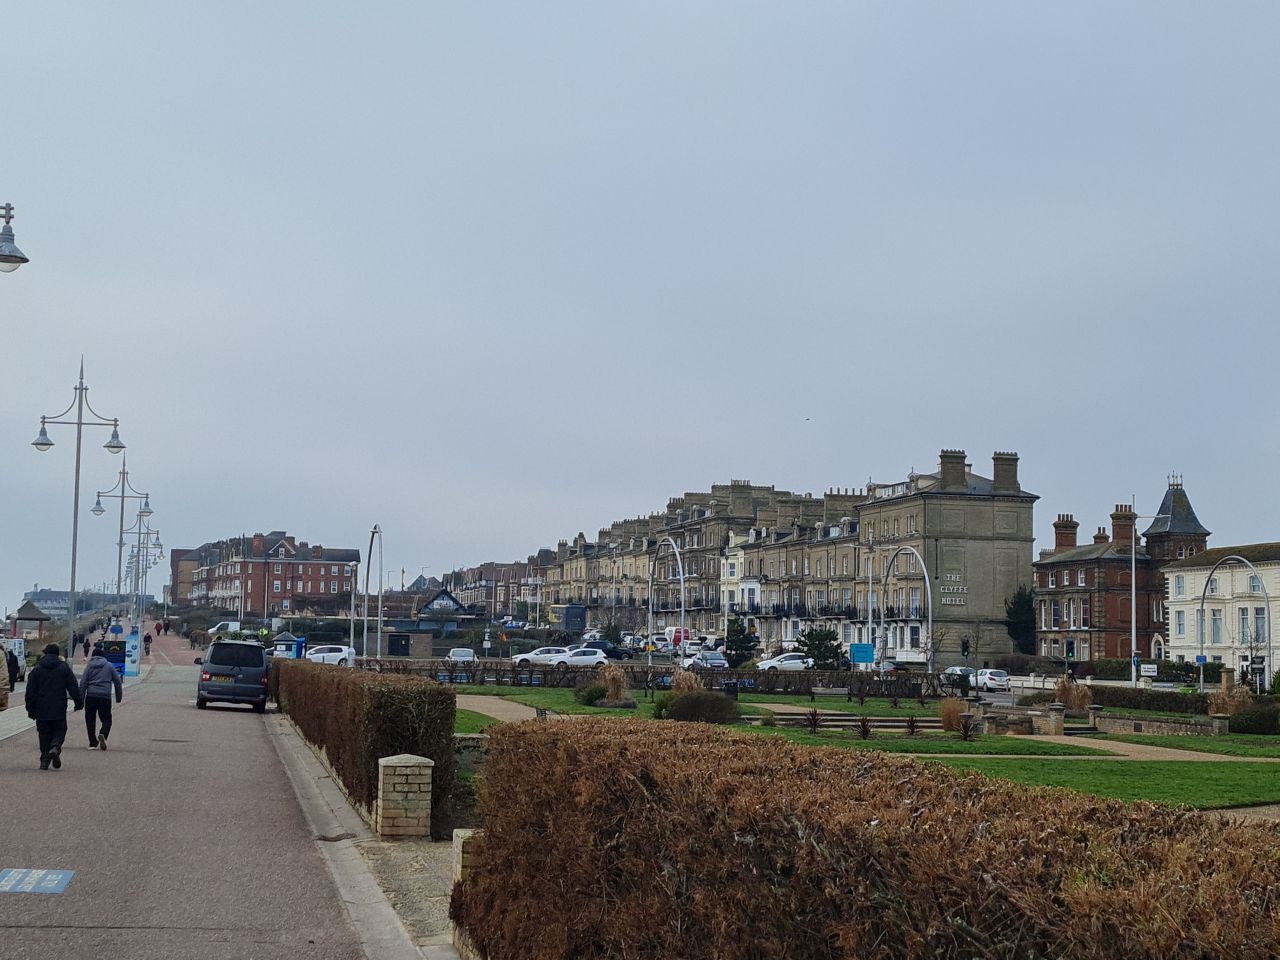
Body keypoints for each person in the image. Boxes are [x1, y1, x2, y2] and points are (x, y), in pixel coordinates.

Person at [25, 643, 82, 770]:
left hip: (41, 707)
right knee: (60, 729)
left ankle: (45, 760)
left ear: (45, 653)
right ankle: (56, 746)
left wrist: (30, 709)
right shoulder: (64, 668)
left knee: (43, 733)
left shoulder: (37, 670)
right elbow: (73, 686)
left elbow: (30, 692)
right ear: (58, 654)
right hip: (59, 706)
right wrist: (78, 702)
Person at [80, 642, 122, 750]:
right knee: (107, 719)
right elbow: (117, 681)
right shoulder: (109, 665)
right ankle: (103, 733)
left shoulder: (89, 666)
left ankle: (92, 742)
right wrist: (118, 697)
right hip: (105, 697)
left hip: (91, 696)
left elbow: (83, 683)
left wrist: (80, 699)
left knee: (90, 719)